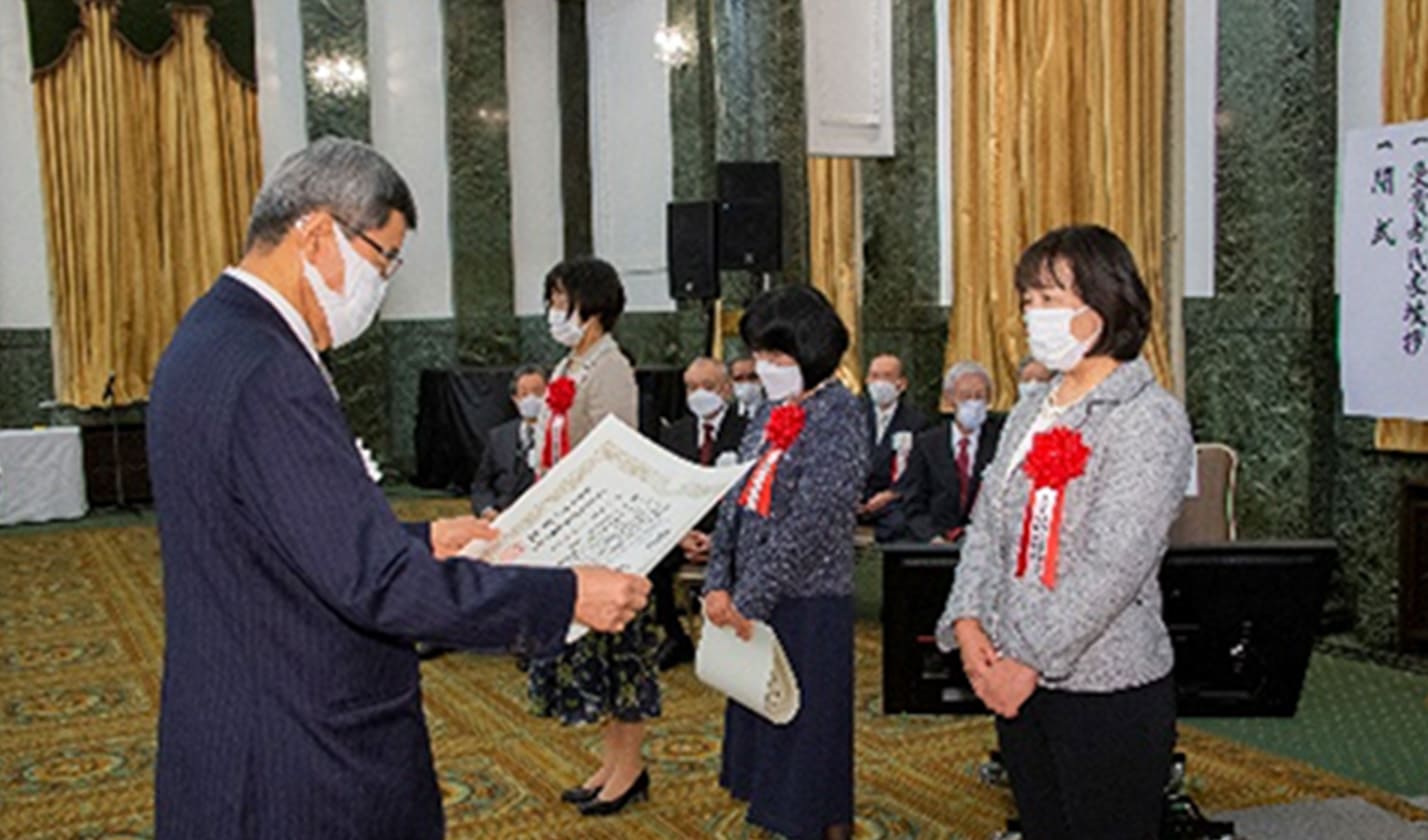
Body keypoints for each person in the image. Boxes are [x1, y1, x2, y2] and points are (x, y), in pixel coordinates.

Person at [145, 138, 649, 840]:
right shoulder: (269, 369)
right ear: (317, 232)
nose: (381, 286)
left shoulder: (211, 334)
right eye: (383, 259)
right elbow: (373, 583)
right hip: (301, 751)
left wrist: (419, 538)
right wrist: (566, 595)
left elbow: (268, 533)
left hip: (237, 713)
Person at [935, 225, 1193, 839]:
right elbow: (988, 525)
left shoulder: (1147, 419)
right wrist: (969, 620)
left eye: (1048, 300)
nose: (1031, 315)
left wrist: (1026, 658)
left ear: (1101, 306)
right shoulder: (1032, 409)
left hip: (1104, 687)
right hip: (1015, 680)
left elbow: (1113, 565)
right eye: (1027, 300)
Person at [704, 284, 869, 840]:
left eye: (778, 357)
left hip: (807, 604)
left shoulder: (840, 415)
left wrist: (747, 598)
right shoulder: (771, 411)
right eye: (761, 355)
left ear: (812, 351)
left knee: (808, 735)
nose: (765, 368)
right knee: (768, 728)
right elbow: (734, 499)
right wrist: (717, 582)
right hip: (753, 599)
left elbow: (812, 524)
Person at [528, 255, 661, 817]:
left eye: (563, 299)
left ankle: (629, 766)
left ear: (594, 306)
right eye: (552, 298)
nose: (555, 310)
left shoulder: (610, 366)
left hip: (606, 533)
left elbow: (616, 450)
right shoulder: (567, 364)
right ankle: (611, 762)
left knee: (619, 656)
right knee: (592, 656)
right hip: (567, 531)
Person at [651, 357, 748, 670]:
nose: (699, 394)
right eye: (692, 387)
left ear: (726, 389)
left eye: (707, 387)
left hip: (732, 529)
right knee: (653, 559)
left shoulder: (747, 432)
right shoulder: (674, 435)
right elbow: (666, 492)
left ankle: (736, 637)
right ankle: (676, 636)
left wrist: (718, 537)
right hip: (685, 530)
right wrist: (682, 536)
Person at [891, 360, 1005, 543]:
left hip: (986, 543)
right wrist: (932, 536)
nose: (973, 403)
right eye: (966, 396)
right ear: (951, 399)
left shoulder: (1000, 442)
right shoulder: (928, 444)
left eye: (979, 396)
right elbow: (913, 502)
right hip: (937, 544)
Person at [858, 353, 927, 529]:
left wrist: (891, 494)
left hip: (892, 500)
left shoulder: (916, 422)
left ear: (901, 383)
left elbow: (916, 469)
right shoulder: (853, 417)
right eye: (874, 376)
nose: (880, 382)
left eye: (887, 376)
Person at [470, 365, 546, 520]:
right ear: (515, 399)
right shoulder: (498, 436)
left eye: (538, 392)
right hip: (501, 516)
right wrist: (487, 509)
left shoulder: (559, 434)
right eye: (524, 393)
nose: (531, 398)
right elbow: (481, 485)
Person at [729, 355, 764, 419]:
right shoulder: (726, 414)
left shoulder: (774, 411)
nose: (746, 382)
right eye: (739, 378)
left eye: (752, 377)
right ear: (731, 381)